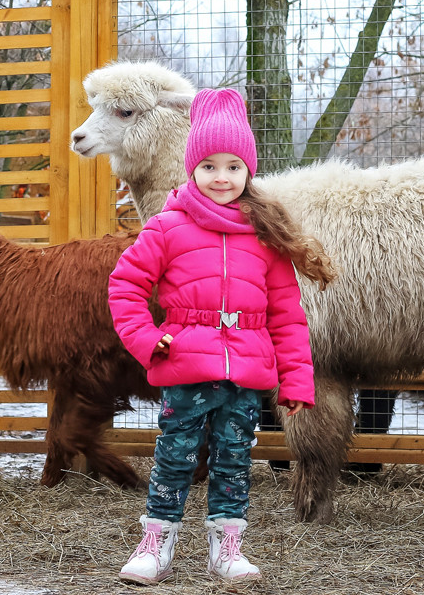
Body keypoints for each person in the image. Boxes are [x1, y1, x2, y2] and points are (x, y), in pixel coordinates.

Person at [108, 87, 336, 584]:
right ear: (192, 167)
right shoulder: (168, 227)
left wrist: (296, 380)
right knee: (175, 457)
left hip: (247, 376)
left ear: (248, 170)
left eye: (233, 166)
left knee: (235, 462)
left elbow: (287, 315)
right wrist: (147, 341)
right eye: (209, 165)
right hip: (187, 368)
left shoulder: (264, 235)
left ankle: (227, 548)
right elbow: (125, 286)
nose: (222, 177)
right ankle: (156, 543)